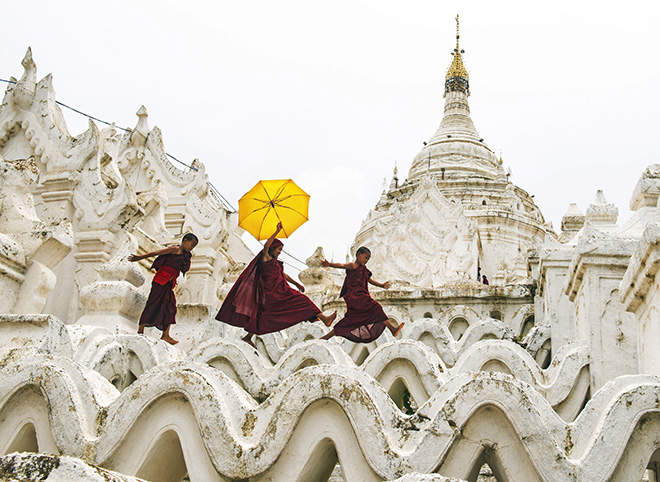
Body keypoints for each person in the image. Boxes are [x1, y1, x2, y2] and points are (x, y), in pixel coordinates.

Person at [216, 222, 337, 347]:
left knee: (301, 301)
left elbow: (283, 275)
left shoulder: (275, 263)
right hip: (271, 293)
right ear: (272, 248)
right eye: (279, 249)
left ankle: (324, 318)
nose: (280, 252)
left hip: (282, 291)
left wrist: (297, 284)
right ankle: (324, 318)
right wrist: (276, 231)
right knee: (265, 314)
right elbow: (266, 246)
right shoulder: (265, 258)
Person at [319, 247, 404, 343]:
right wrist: (330, 264)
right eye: (365, 257)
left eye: (368, 259)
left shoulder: (363, 269)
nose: (367, 260)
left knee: (349, 320)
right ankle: (392, 328)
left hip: (360, 297)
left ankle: (326, 337)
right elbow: (342, 265)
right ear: (359, 254)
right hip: (356, 297)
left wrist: (381, 285)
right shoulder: (353, 266)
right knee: (376, 308)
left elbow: (370, 280)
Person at [128, 233, 199, 345]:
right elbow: (156, 252)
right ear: (185, 241)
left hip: (169, 284)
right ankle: (141, 329)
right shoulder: (175, 249)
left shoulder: (186, 255)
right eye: (191, 245)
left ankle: (165, 335)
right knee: (152, 303)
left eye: (194, 247)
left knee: (171, 307)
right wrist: (139, 257)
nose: (192, 248)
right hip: (160, 281)